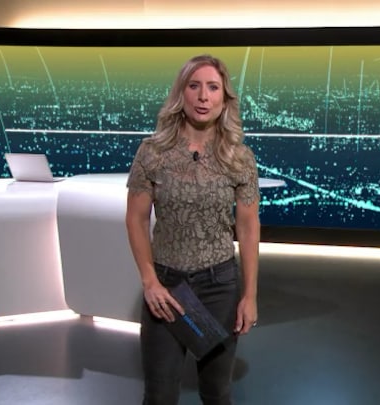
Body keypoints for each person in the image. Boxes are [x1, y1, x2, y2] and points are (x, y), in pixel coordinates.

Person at [125, 54, 260, 405]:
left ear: (224, 98)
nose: (203, 96)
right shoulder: (152, 152)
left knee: (216, 393)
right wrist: (150, 282)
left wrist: (249, 295)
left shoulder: (240, 157)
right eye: (194, 86)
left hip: (219, 288)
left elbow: (248, 227)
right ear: (180, 93)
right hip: (166, 288)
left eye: (213, 87)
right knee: (159, 395)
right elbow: (136, 218)